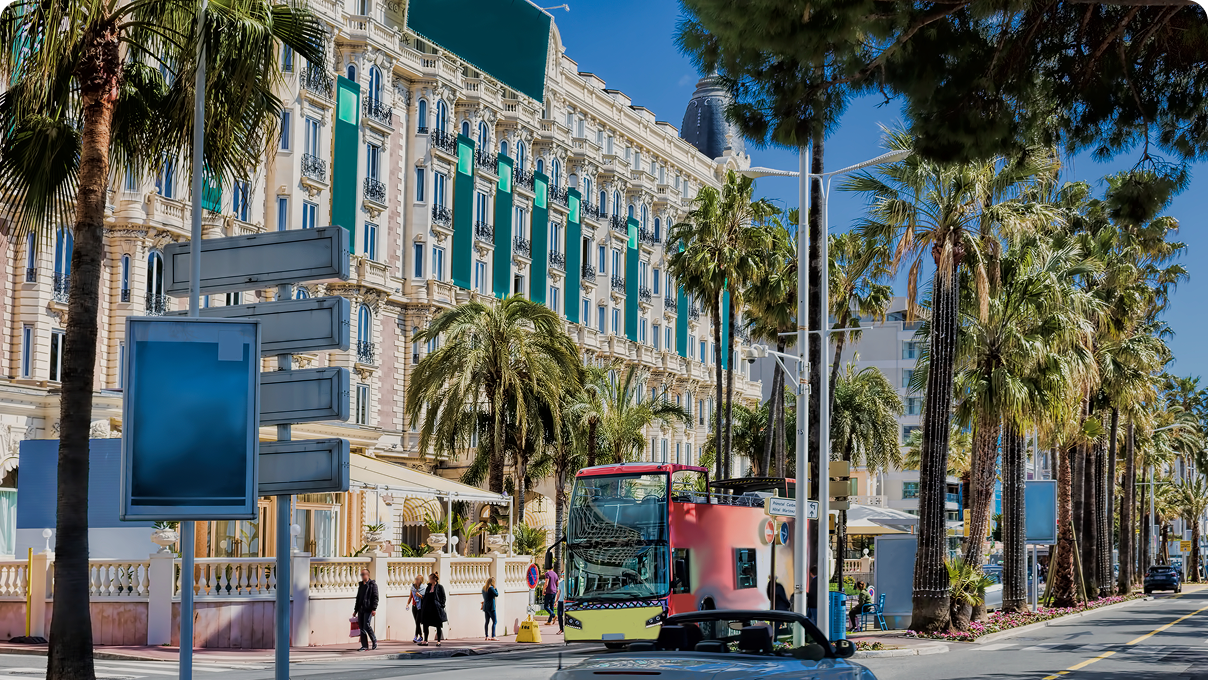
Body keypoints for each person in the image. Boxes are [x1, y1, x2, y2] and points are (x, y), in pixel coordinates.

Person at [353, 568, 379, 651]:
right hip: (361, 609)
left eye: (363, 574)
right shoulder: (361, 585)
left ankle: (374, 640)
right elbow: (358, 598)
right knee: (361, 628)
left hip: (368, 609)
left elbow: (375, 597)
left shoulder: (372, 585)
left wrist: (374, 609)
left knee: (366, 626)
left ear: (367, 575)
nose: (362, 576)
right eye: (361, 575)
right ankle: (364, 646)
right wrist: (355, 610)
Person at [420, 572, 447, 646]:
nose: (429, 580)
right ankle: (425, 640)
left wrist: (441, 605)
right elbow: (426, 597)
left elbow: (443, 597)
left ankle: (438, 641)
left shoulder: (440, 587)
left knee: (438, 625)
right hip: (428, 609)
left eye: (430, 579)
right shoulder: (428, 587)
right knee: (425, 624)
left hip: (436, 609)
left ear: (434, 579)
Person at [407, 575, 425, 643]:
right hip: (414, 606)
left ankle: (415, 636)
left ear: (421, 581)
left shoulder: (423, 588)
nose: (416, 580)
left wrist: (420, 596)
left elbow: (425, 598)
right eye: (416, 579)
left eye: (418, 579)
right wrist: (407, 604)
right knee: (416, 622)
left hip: (420, 607)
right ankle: (420, 636)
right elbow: (410, 596)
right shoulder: (413, 588)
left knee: (417, 622)